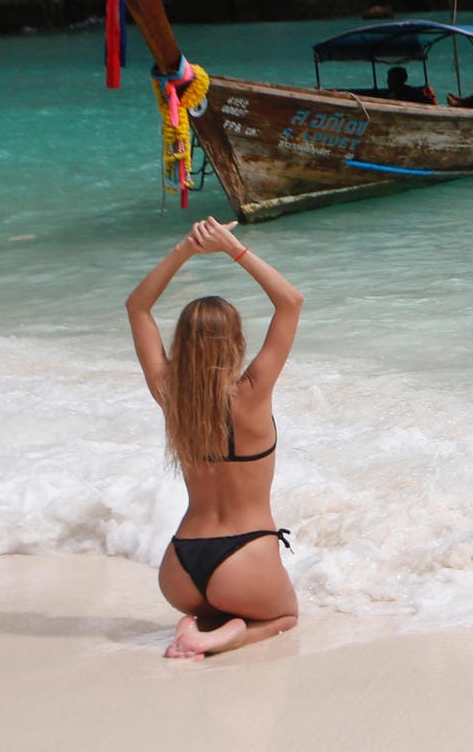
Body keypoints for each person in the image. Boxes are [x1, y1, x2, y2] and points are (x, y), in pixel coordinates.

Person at [127, 216, 303, 660]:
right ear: (237, 342)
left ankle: (202, 621)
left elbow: (138, 308)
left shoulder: (171, 396)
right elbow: (290, 301)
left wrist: (186, 249)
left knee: (221, 606)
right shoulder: (252, 391)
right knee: (285, 617)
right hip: (244, 561)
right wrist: (233, 248)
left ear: (181, 343)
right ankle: (219, 637)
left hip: (180, 570)